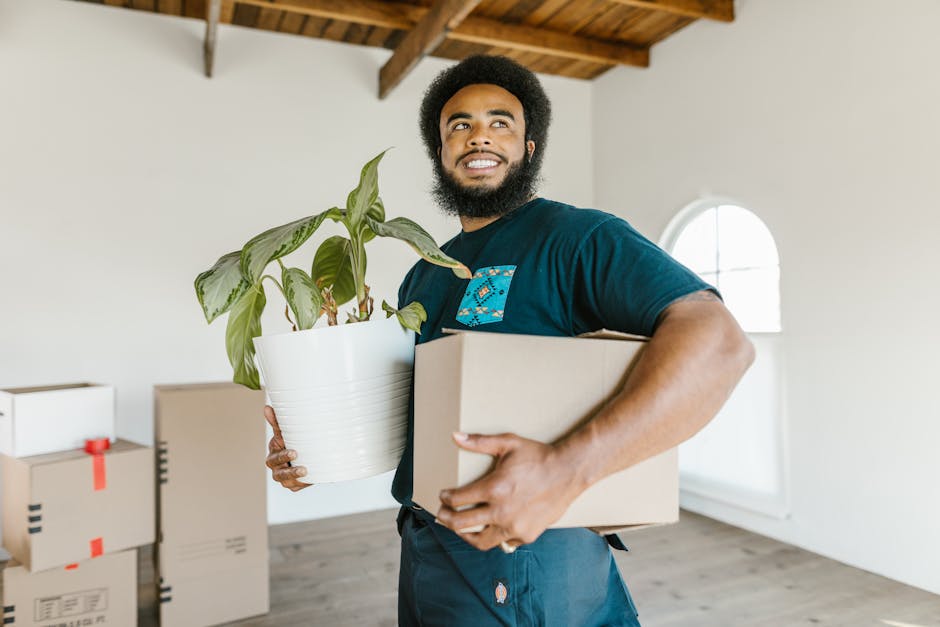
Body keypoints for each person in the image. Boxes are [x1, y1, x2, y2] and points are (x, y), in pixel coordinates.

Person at [264, 55, 754, 626]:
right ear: (441, 153)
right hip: (426, 542)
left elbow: (720, 342)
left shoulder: (576, 236)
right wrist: (316, 446)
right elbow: (423, 414)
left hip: (527, 553)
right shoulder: (427, 272)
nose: (479, 136)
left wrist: (567, 470)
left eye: (501, 122)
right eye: (459, 125)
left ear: (530, 147)